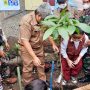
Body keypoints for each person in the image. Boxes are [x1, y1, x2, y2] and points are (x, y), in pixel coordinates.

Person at [19, 3, 59, 86]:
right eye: (43, 19)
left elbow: (48, 32)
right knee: (28, 68)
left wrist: (53, 44)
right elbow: (25, 41)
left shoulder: (44, 20)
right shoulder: (26, 21)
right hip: (27, 49)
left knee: (41, 65)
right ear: (39, 15)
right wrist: (34, 57)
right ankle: (28, 86)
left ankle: (42, 84)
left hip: (39, 47)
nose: (44, 21)